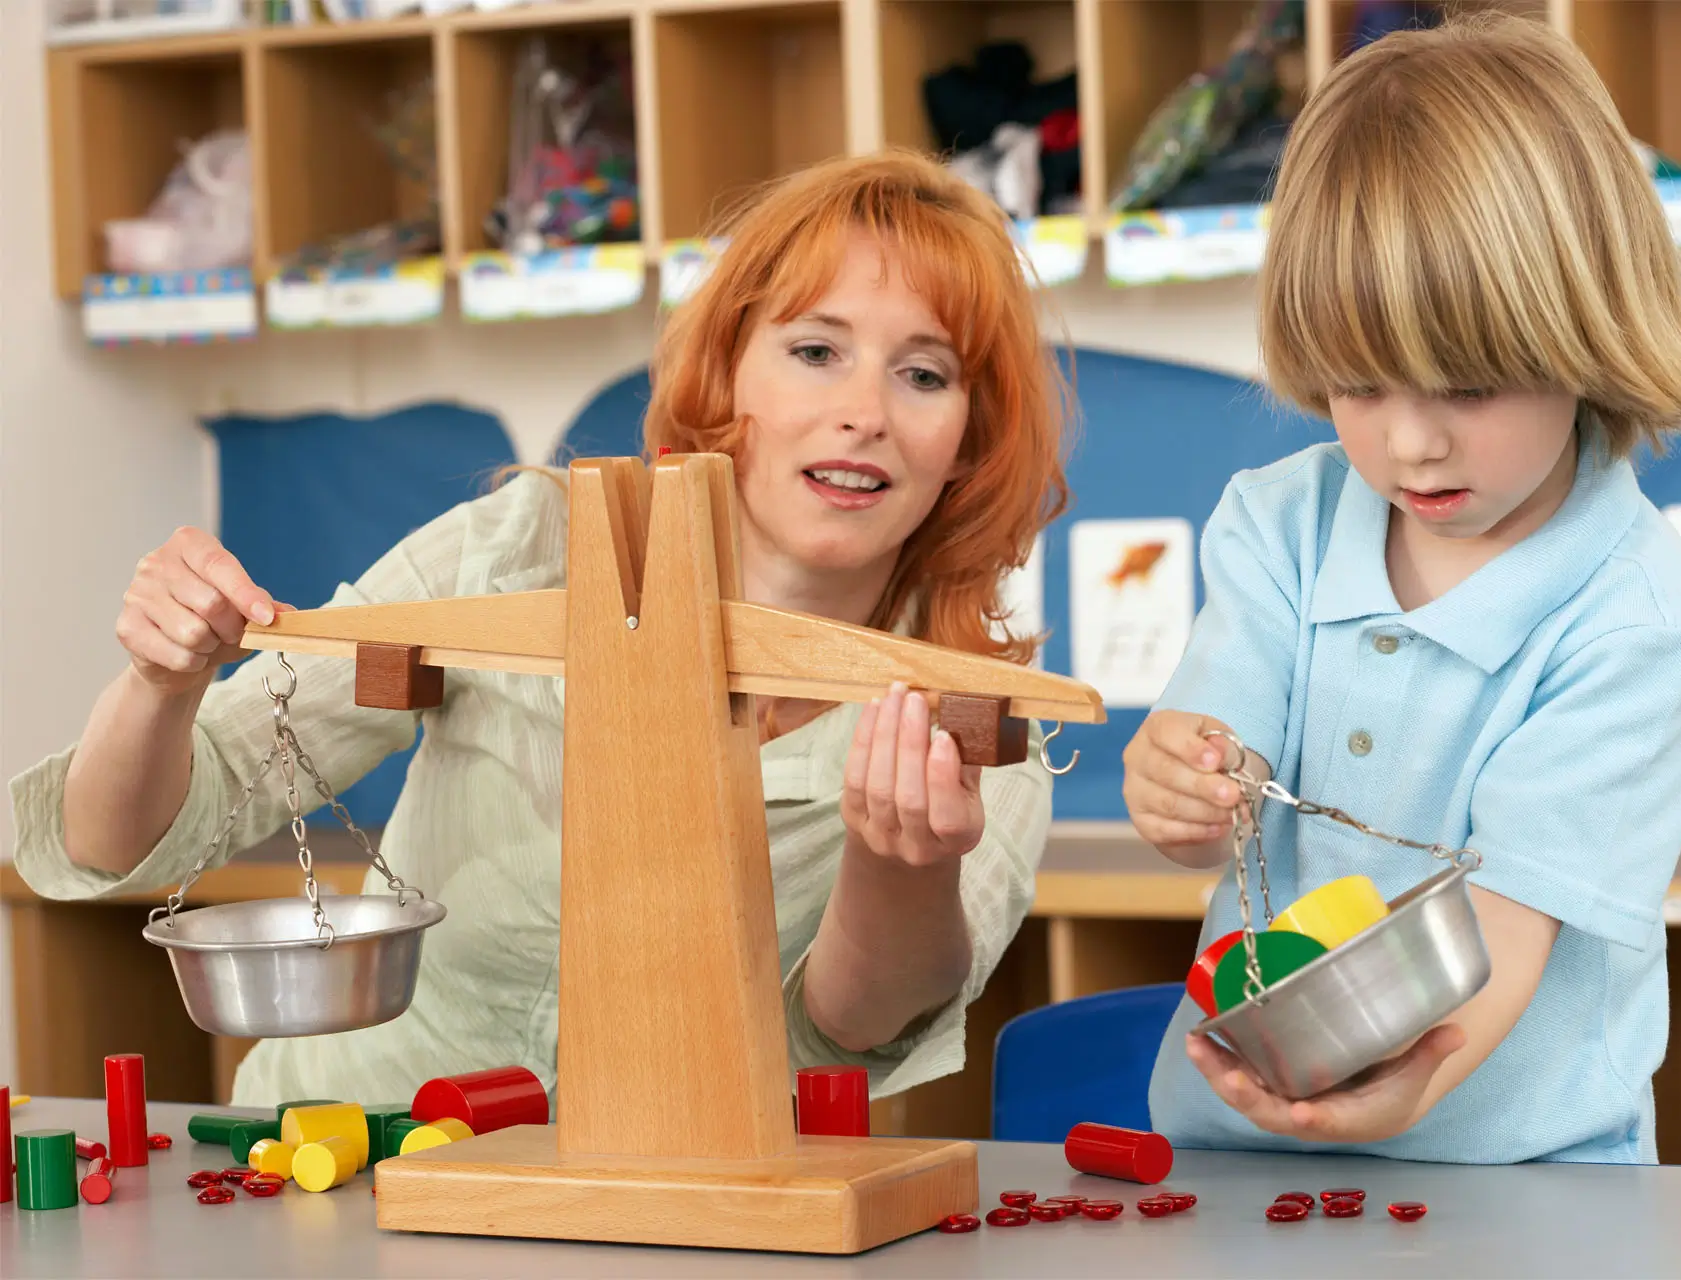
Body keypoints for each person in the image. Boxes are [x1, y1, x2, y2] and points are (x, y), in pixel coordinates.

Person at [8, 149, 1072, 1109]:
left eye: (923, 374)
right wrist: (158, 683)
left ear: (968, 440)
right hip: (348, 1170)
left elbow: (846, 1027)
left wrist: (902, 864)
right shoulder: (521, 552)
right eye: (815, 350)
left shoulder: (982, 728)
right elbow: (121, 841)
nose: (866, 412)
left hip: (681, 1224)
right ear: (728, 367)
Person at [1123, 14, 1681, 1164]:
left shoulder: (1636, 618)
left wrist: (1404, 1090)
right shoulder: (1280, 522)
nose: (1413, 445)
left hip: (1524, 1177)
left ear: (1586, 334)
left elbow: (1502, 925)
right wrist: (1179, 781)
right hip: (1240, 1154)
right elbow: (1221, 762)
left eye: (1468, 384)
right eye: (1359, 385)